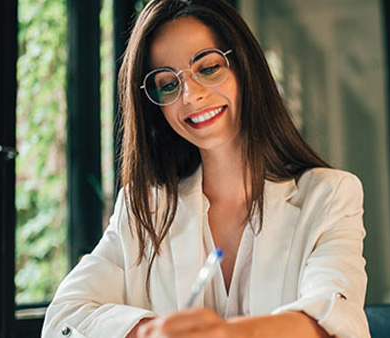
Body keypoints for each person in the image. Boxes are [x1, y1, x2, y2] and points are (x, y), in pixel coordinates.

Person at [42, 0, 370, 337]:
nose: (190, 96)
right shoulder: (143, 209)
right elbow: (63, 318)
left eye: (208, 68)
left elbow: (333, 318)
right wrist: (151, 332)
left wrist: (226, 334)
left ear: (245, 68)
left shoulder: (330, 195)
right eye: (168, 84)